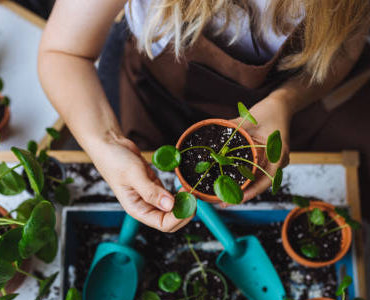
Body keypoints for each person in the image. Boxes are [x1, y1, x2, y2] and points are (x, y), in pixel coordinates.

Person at [38, 0, 370, 232]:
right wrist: (105, 143)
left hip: (279, 108)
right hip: (155, 91)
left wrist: (285, 101)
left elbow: (342, 47)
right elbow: (63, 53)